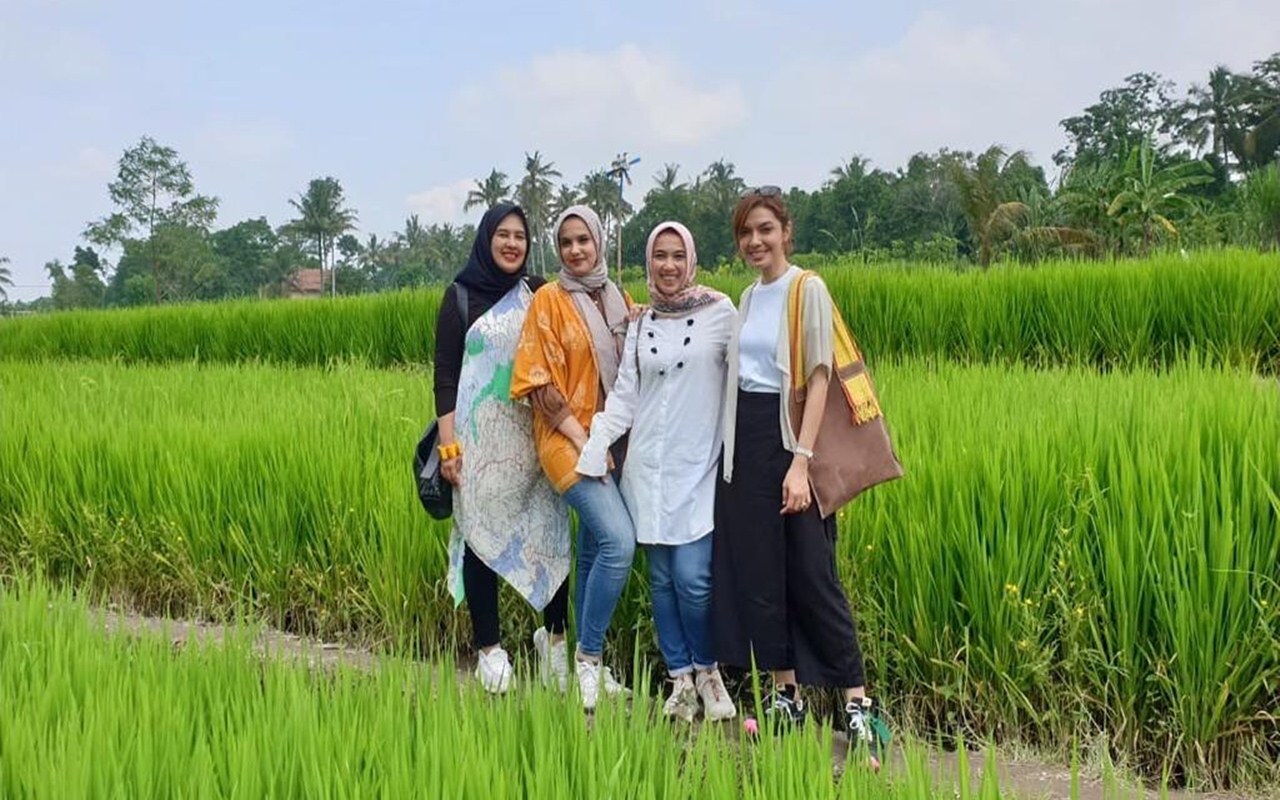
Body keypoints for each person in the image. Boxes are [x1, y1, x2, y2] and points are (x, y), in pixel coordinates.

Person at [712, 187, 888, 766]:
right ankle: (786, 692)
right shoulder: (747, 295)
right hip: (747, 445)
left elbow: (817, 378)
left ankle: (858, 704)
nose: (755, 241)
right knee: (763, 575)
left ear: (786, 231)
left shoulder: (805, 288)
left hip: (791, 442)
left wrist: (802, 461)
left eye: (765, 229)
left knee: (813, 572)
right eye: (745, 233)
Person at [576, 222, 737, 722]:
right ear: (649, 263)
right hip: (646, 466)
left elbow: (747, 376)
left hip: (697, 465)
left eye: (676, 256)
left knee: (693, 579)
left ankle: (709, 672)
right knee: (662, 580)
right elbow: (625, 394)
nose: (667, 265)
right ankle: (680, 680)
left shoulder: (721, 313)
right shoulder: (642, 322)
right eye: (659, 256)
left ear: (691, 260)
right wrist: (595, 444)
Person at [434, 203, 571, 694]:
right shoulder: (460, 297)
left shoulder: (537, 291)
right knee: (480, 536)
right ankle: (489, 650)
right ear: (487, 239)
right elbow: (446, 377)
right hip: (480, 442)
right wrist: (448, 447)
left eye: (520, 236)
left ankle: (554, 641)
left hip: (536, 437)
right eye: (503, 235)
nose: (513, 244)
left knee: (551, 534)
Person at [511, 205, 636, 710]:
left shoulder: (618, 300)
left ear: (599, 242)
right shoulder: (548, 299)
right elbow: (535, 381)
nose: (576, 250)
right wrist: (585, 441)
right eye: (566, 242)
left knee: (591, 549)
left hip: (608, 440)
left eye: (584, 240)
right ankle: (588, 659)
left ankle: (577, 661)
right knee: (619, 542)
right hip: (565, 439)